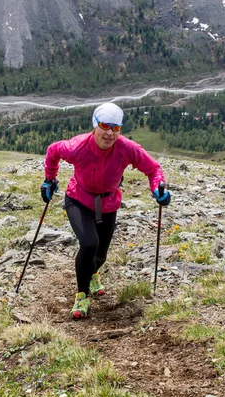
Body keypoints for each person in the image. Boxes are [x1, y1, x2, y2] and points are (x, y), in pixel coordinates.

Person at [41, 102, 170, 319]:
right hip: (78, 199)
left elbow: (153, 169)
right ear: (95, 125)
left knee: (101, 254)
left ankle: (92, 273)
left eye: (116, 128)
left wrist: (158, 187)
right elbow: (53, 151)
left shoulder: (128, 149)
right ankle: (82, 295)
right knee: (90, 243)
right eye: (105, 126)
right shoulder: (77, 146)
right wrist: (49, 179)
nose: (110, 133)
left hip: (109, 204)